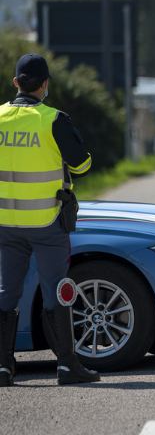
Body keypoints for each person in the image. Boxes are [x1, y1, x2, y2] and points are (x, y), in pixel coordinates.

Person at [0, 53, 100, 386]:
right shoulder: (54, 120)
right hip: (46, 223)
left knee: (6, 293)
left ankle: (3, 367)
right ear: (45, 84)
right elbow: (83, 166)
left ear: (16, 83)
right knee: (58, 291)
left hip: (5, 225)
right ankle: (68, 366)